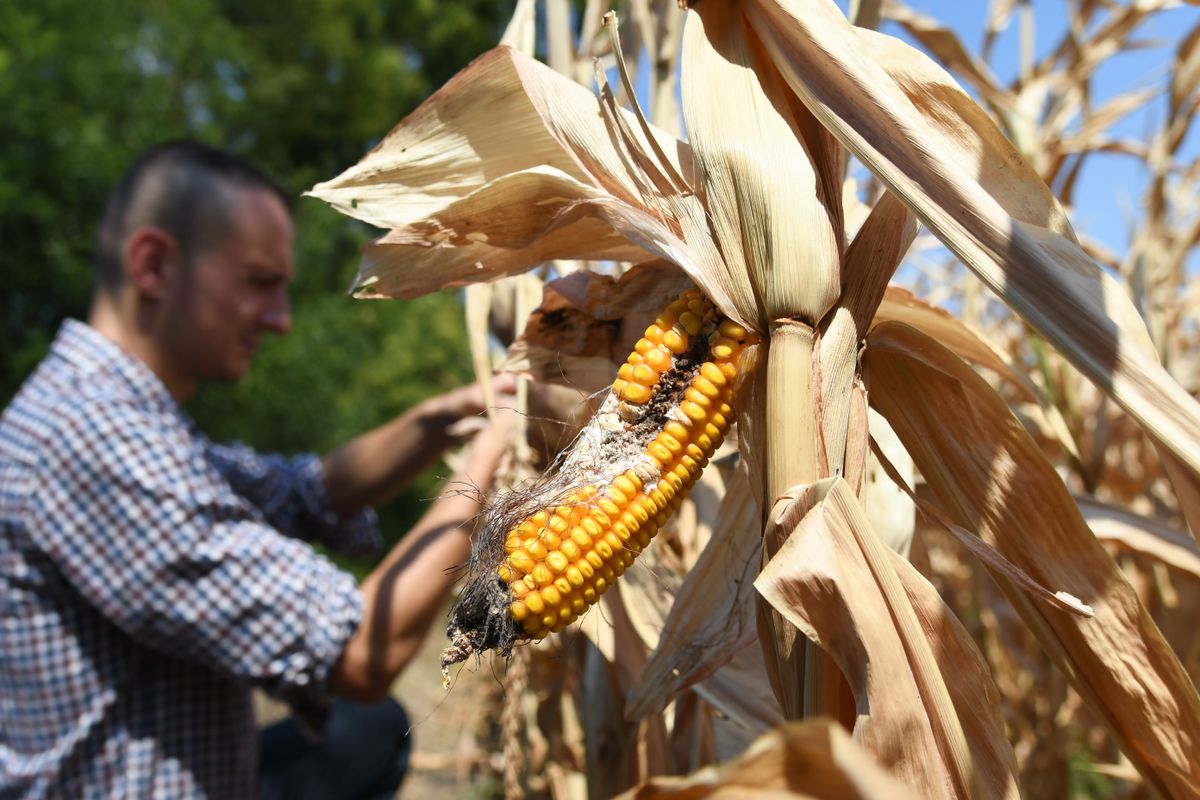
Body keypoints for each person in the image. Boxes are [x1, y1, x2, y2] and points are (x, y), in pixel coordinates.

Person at [0, 140, 512, 799]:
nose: (281, 319)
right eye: (259, 284)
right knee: (369, 712)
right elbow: (361, 654)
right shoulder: (94, 442)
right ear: (153, 266)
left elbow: (306, 492)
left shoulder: (114, 414)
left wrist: (441, 421)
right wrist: (489, 456)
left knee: (370, 733)